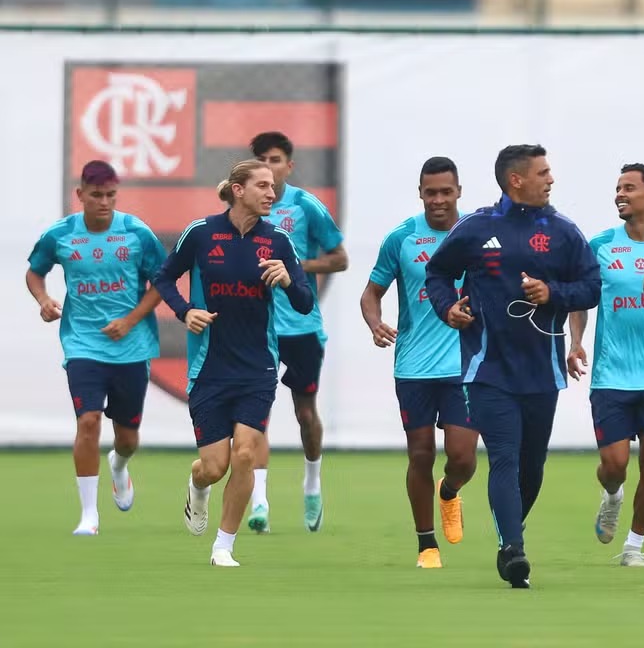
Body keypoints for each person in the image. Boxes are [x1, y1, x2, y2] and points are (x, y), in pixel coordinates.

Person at [425, 144, 601, 588]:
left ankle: (509, 530)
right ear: (516, 180)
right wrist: (449, 309)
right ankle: (513, 549)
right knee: (504, 456)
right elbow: (437, 274)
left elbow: (591, 287)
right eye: (543, 172)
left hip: (542, 372)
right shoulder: (477, 227)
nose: (551, 179)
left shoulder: (563, 231)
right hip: (488, 370)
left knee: (532, 466)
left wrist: (553, 294)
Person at [153, 160, 313, 567]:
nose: (271, 193)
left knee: (244, 454)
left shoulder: (278, 241)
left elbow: (305, 301)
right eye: (262, 185)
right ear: (238, 190)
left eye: (273, 187)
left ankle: (223, 546)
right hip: (209, 366)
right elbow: (163, 278)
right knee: (215, 466)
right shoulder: (202, 233)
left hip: (258, 366)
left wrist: (290, 279)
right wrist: (185, 310)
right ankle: (197, 483)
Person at [26, 160, 166, 535]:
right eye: (96, 195)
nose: (104, 202)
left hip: (131, 348)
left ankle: (119, 465)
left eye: (110, 195)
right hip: (82, 344)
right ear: (81, 195)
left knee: (127, 436)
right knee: (88, 421)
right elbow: (35, 271)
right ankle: (89, 515)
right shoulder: (61, 234)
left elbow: (162, 282)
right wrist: (43, 299)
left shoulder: (136, 232)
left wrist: (130, 320)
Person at [360, 156, 479, 569]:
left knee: (463, 457)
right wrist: (376, 324)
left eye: (447, 192)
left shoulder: (478, 234)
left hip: (465, 366)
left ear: (459, 191)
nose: (439, 200)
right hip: (414, 366)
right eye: (431, 192)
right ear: (421, 193)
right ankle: (426, 544)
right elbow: (370, 292)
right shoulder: (403, 238)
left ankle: (449, 491)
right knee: (420, 455)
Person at [567, 163, 644, 567]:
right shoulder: (601, 245)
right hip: (612, 375)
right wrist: (576, 342)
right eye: (617, 187)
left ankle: (634, 546)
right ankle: (612, 495)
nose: (620, 194)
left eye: (629, 188)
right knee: (615, 465)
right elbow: (581, 298)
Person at [246, 131, 347, 535]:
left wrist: (297, 268)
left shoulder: (305, 205)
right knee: (257, 417)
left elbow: (339, 258)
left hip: (302, 326)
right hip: (259, 328)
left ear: (289, 165)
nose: (269, 168)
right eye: (261, 161)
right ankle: (260, 502)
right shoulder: (242, 209)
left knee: (305, 413)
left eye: (275, 160)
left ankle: (312, 483)